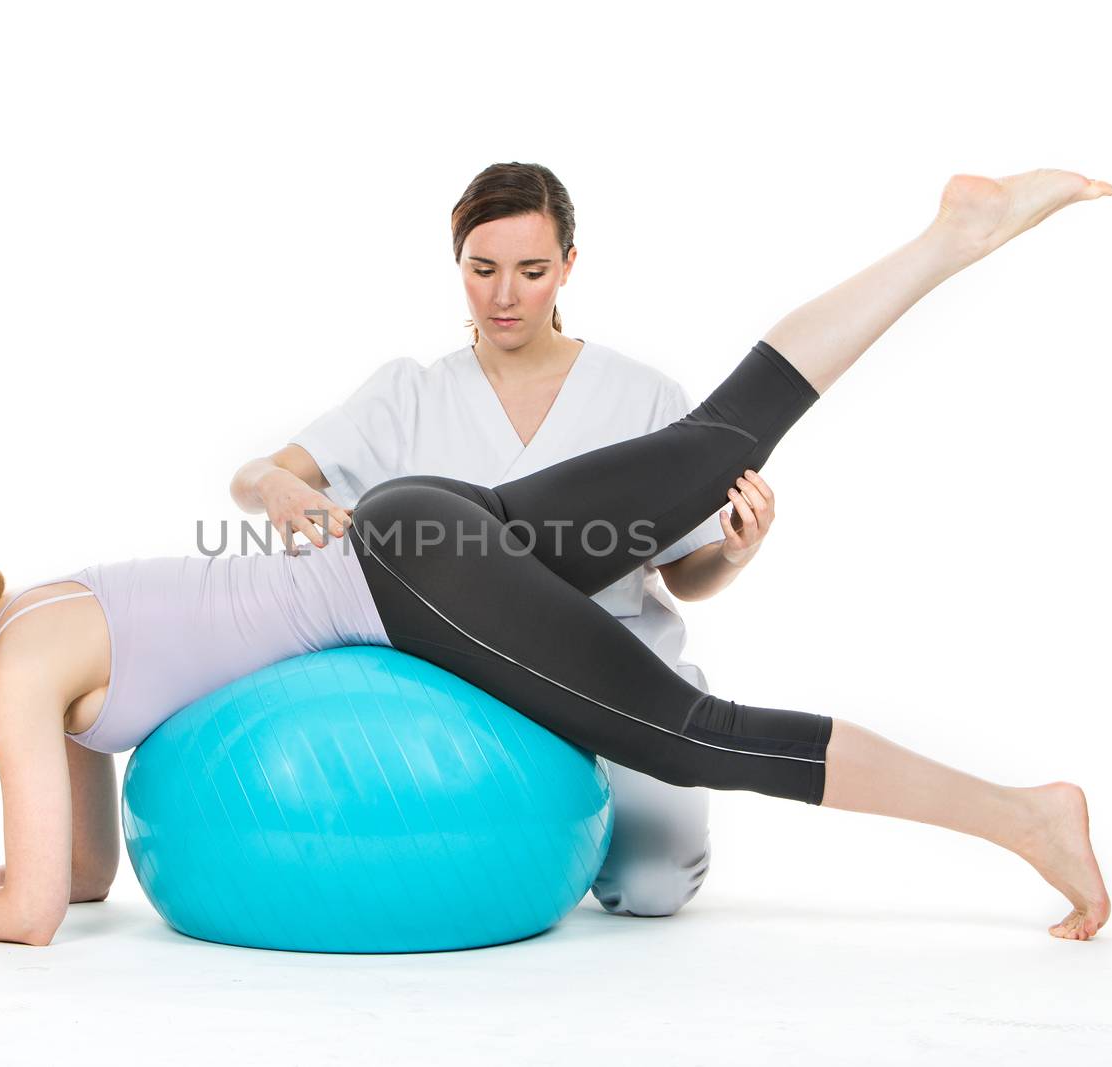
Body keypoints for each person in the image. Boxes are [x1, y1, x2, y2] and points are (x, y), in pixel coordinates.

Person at [0, 168, 1112, 948]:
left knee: (697, 730)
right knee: (716, 438)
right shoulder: (33, 618)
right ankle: (956, 235)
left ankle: (1023, 817)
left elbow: (31, 915)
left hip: (408, 573)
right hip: (415, 530)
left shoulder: (21, 659)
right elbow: (78, 877)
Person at [228, 161, 772, 917]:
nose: (505, 296)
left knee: (654, 886)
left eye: (532, 270)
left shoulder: (645, 396)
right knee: (442, 873)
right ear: (459, 265)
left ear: (569, 267)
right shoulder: (409, 393)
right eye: (482, 270)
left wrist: (734, 552)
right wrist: (279, 488)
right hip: (458, 679)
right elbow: (258, 474)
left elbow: (686, 576)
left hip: (616, 668)